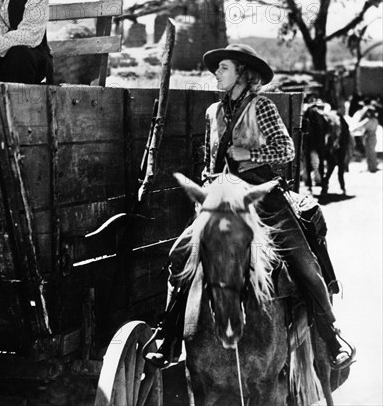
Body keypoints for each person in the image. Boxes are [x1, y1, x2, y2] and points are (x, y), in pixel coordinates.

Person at [144, 44, 355, 370]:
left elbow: (285, 150)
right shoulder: (212, 112)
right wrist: (208, 184)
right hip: (218, 198)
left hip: (262, 198)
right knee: (179, 255)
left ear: (243, 73)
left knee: (302, 260)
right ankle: (169, 334)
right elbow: (207, 158)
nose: (217, 73)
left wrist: (250, 156)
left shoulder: (263, 108)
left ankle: (331, 334)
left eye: (223, 68)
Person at [352, 105, 379, 172]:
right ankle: (372, 167)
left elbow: (360, 126)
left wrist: (353, 130)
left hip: (369, 137)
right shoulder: (375, 119)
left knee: (369, 153)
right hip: (373, 137)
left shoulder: (368, 120)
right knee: (372, 152)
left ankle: (372, 168)